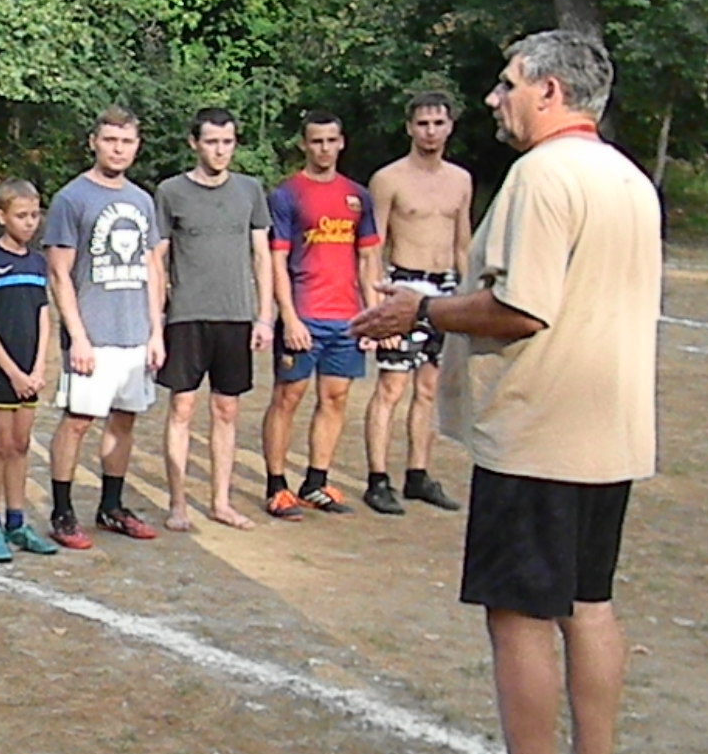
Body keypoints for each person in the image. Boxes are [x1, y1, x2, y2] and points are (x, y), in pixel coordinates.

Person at [352, 30, 660, 754]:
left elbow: (520, 308)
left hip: (540, 435)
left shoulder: (543, 176)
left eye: (506, 85)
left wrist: (419, 310)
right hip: (609, 431)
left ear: (551, 92)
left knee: (520, 612)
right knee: (588, 604)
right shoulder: (627, 178)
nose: (493, 100)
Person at [44, 106, 166, 548]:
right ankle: (62, 511)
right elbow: (59, 273)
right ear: (94, 142)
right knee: (78, 421)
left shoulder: (141, 200)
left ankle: (111, 505)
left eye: (127, 141)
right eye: (110, 140)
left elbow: (152, 267)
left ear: (137, 146)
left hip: (134, 331)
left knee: (125, 419)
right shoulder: (71, 199)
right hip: (92, 334)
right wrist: (77, 336)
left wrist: (156, 331)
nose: (118, 149)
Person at [151, 107, 274, 532]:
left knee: (226, 409)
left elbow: (262, 255)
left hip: (236, 315)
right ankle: (178, 503)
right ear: (194, 143)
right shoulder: (170, 193)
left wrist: (265, 316)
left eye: (227, 142)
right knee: (181, 408)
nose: (220, 150)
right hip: (186, 315)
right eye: (211, 142)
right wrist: (156, 324)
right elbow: (157, 260)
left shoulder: (250, 191)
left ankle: (221, 501)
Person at [260, 111, 380, 519]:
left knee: (335, 397)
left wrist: (372, 316)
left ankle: (316, 481)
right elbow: (276, 261)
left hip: (346, 317)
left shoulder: (358, 196)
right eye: (316, 141)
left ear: (342, 142)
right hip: (304, 314)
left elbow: (367, 260)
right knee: (287, 397)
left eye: (331, 140)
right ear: (304, 145)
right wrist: (288, 318)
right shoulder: (286, 194)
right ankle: (277, 485)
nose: (324, 148)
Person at [361, 91, 473, 516]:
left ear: (449, 127)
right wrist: (376, 303)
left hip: (445, 289)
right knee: (391, 386)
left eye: (438, 123)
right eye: (422, 124)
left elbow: (462, 241)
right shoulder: (389, 179)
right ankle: (377, 478)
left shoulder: (460, 180)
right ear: (409, 127)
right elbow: (373, 246)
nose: (430, 132)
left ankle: (418, 474)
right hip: (403, 285)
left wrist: (466, 295)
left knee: (429, 389)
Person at [0, 179, 59, 563]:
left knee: (21, 444)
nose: (29, 223)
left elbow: (43, 317)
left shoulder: (37, 262)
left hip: (28, 371)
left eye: (34, 215)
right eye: (21, 216)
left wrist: (37, 367)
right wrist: (12, 372)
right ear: (2, 217)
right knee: (1, 444)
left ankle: (17, 521)